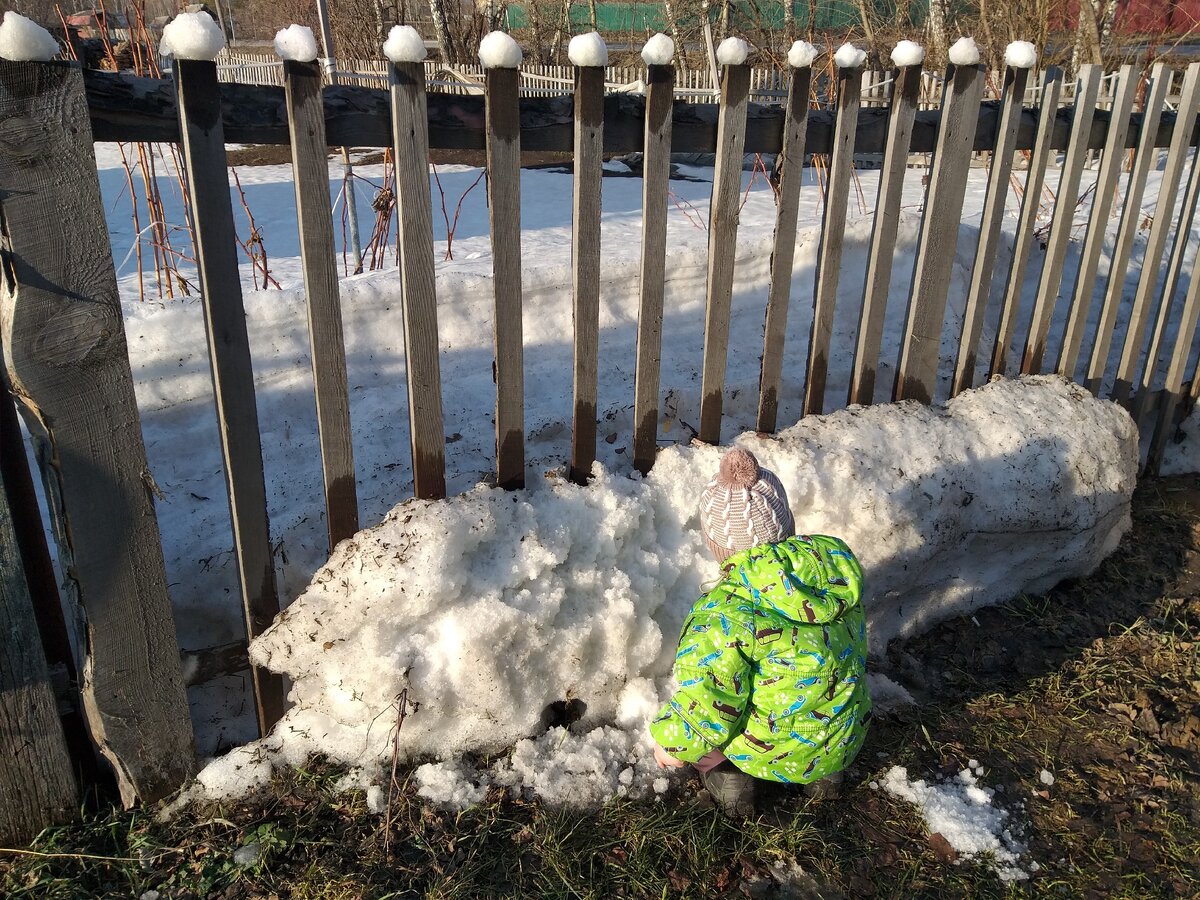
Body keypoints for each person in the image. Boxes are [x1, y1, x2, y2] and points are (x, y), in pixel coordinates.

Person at [649, 447, 871, 817]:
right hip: (841, 738)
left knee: (713, 741)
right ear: (787, 526)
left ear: (719, 547)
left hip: (765, 750)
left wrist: (670, 745)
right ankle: (824, 776)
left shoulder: (727, 614)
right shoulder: (833, 579)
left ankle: (731, 778)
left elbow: (709, 699)